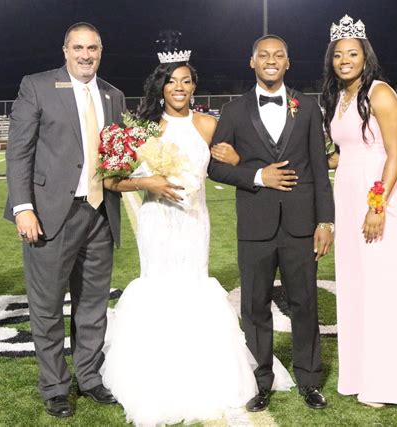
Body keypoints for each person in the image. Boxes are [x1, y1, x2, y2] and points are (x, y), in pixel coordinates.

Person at [100, 51, 294, 426]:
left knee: (194, 288)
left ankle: (205, 376)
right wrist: (147, 182)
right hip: (158, 223)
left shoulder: (207, 124)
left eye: (186, 81)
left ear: (194, 86)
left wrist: (239, 162)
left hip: (193, 223)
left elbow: (226, 166)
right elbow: (111, 180)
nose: (179, 87)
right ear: (160, 85)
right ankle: (156, 379)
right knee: (160, 290)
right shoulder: (141, 127)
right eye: (172, 80)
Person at [4, 22, 125, 417]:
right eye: (78, 47)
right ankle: (55, 385)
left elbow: (119, 157)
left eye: (92, 48)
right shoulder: (36, 86)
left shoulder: (113, 95)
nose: (85, 54)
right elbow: (19, 151)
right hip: (49, 215)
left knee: (92, 306)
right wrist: (24, 207)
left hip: (100, 213)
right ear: (65, 50)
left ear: (101, 51)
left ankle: (89, 378)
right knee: (47, 306)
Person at [208, 35, 334, 411]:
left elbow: (318, 170)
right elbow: (214, 166)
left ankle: (309, 380)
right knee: (255, 307)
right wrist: (258, 175)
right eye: (264, 55)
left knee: (305, 304)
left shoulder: (308, 108)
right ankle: (260, 382)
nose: (271, 60)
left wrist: (326, 220)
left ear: (288, 62)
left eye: (278, 55)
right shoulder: (232, 111)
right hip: (255, 225)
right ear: (252, 62)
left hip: (300, 225)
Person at [323, 15, 397, 406]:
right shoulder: (340, 96)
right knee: (355, 286)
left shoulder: (380, 93)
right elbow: (343, 154)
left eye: (352, 53)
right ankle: (360, 374)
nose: (345, 60)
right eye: (338, 54)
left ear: (366, 56)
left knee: (382, 288)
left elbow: (395, 153)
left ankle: (388, 384)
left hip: (378, 197)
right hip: (347, 197)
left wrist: (376, 205)